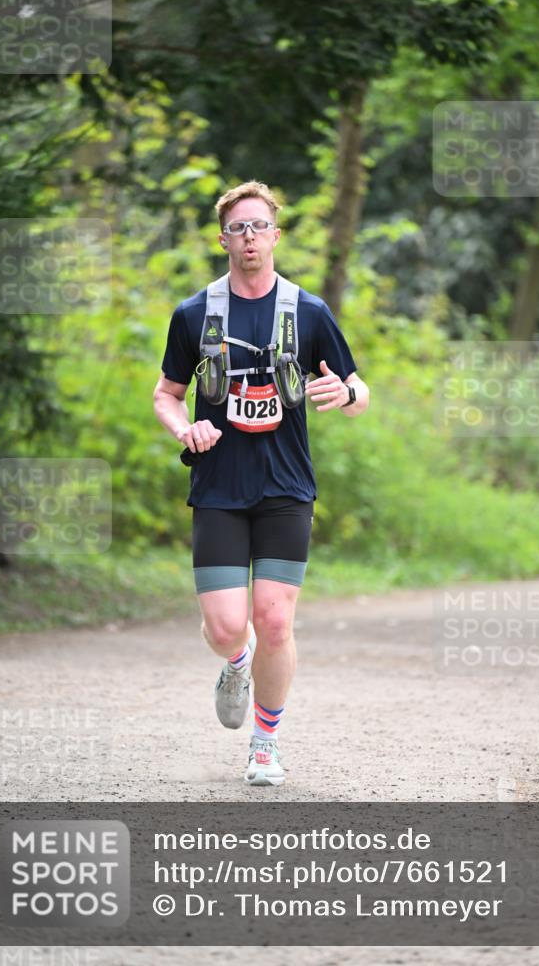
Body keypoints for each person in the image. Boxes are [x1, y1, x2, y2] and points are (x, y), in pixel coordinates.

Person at [153, 181, 369, 786]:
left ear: (275, 235)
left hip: (286, 488)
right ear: (223, 239)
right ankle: (236, 662)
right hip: (219, 487)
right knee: (227, 627)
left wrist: (347, 392)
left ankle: (265, 744)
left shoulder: (309, 311)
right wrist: (185, 427)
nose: (249, 237)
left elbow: (359, 391)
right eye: (237, 228)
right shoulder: (195, 313)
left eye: (258, 226)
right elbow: (166, 394)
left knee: (275, 620)